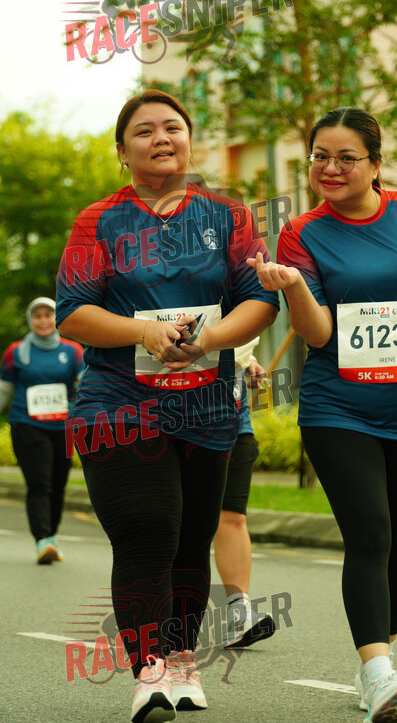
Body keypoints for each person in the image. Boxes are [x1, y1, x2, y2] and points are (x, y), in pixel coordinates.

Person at [55, 89, 278, 723]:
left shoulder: (230, 217)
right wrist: (142, 332)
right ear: (122, 151)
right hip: (119, 405)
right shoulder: (98, 222)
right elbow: (73, 312)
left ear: (189, 140)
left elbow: (260, 300)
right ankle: (149, 672)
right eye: (144, 130)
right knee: (148, 529)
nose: (161, 138)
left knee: (190, 541)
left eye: (172, 127)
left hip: (207, 409)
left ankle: (181, 661)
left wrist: (208, 339)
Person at [247, 108, 397, 723]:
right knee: (369, 531)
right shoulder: (301, 233)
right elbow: (318, 334)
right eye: (320, 156)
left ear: (376, 164)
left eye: (346, 157)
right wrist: (294, 285)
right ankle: (378, 673)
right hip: (339, 407)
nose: (331, 168)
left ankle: (380, 661)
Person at [0, 297, 84, 563]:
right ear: (30, 320)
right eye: (38, 316)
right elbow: (3, 391)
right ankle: (43, 538)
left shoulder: (73, 351)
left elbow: (84, 385)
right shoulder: (16, 352)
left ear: (57, 318)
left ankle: (51, 536)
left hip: (63, 428)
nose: (44, 321)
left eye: (49, 315)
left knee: (58, 484)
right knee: (39, 483)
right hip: (28, 425)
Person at [213, 340, 276, 648]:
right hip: (178, 431)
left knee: (232, 517)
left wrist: (245, 360)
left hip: (236, 428)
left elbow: (235, 337)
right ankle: (167, 615)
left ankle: (240, 614)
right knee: (178, 524)